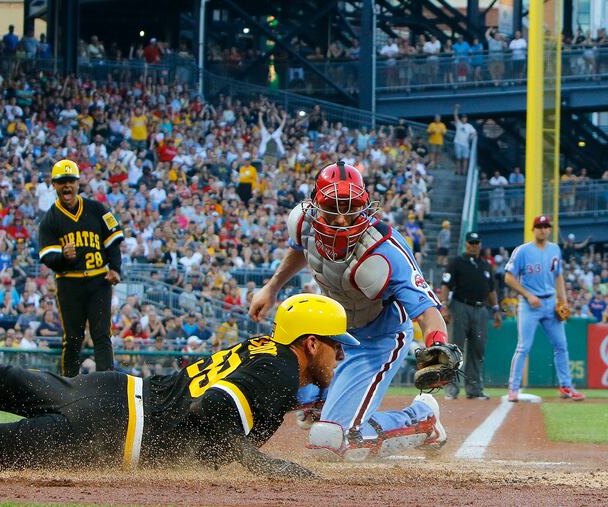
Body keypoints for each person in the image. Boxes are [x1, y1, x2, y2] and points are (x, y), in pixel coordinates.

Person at [0, 261, 362, 479]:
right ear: (311, 342)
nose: (338, 357)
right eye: (335, 347)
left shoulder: (263, 349)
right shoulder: (278, 373)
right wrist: (258, 464)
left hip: (114, 392)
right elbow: (211, 409)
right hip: (115, 429)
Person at [249, 161, 450, 461]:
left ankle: (421, 420)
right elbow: (300, 249)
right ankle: (323, 404)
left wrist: (437, 347)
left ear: (365, 206)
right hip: (335, 335)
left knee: (331, 442)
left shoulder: (385, 250)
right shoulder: (303, 222)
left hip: (379, 337)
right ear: (316, 205)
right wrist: (272, 287)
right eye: (333, 208)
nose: (342, 219)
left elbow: (426, 309)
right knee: (303, 405)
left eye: (351, 209)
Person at [38, 160, 124, 376]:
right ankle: (69, 386)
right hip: (69, 283)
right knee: (73, 338)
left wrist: (115, 268)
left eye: (70, 181)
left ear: (78, 184)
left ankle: (106, 384)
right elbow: (47, 256)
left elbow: (112, 240)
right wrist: (63, 257)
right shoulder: (50, 219)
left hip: (98, 281)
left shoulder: (95, 209)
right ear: (54, 185)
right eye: (61, 182)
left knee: (102, 334)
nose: (66, 186)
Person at [504, 215, 585, 402]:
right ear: (534, 229)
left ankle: (566, 386)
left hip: (550, 303)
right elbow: (509, 277)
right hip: (529, 304)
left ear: (550, 229)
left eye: (546, 226)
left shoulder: (555, 249)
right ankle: (513, 388)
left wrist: (563, 301)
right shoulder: (522, 251)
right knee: (523, 347)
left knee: (561, 346)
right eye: (539, 226)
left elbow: (558, 276)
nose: (543, 229)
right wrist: (527, 295)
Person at [439, 232, 502, 400]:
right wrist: (443, 306)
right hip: (460, 306)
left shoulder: (485, 265)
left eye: (477, 243)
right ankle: (451, 388)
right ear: (466, 244)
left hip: (481, 309)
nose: (474, 245)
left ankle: (474, 389)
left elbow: (491, 290)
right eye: (471, 242)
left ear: (480, 245)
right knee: (455, 348)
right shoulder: (456, 262)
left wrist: (496, 309)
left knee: (478, 348)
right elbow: (445, 285)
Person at [453, 105, 476, 176]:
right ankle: (457, 170)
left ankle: (464, 171)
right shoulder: (458, 123)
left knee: (465, 158)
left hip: (465, 144)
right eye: (463, 118)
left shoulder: (469, 126)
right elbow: (455, 116)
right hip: (458, 143)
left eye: (465, 118)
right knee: (458, 158)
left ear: (466, 119)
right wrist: (456, 109)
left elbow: (474, 132)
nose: (464, 119)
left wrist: (471, 136)